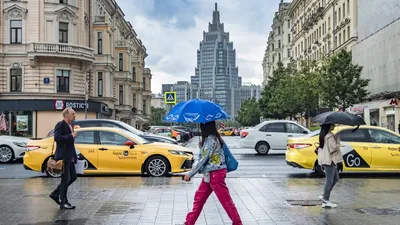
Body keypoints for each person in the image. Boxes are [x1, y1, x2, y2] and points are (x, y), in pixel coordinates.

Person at [183, 121, 242, 225]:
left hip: (215, 174)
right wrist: (202, 147)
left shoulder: (211, 139)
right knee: (199, 198)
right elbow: (208, 156)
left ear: (205, 128)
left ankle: (237, 223)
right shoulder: (211, 139)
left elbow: (203, 159)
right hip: (210, 174)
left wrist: (190, 174)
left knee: (225, 201)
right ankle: (189, 223)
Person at [49, 107, 78, 210]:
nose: (75, 115)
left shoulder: (70, 125)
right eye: (73, 114)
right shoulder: (60, 124)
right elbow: (57, 138)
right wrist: (71, 136)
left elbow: (69, 141)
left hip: (70, 156)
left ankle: (56, 194)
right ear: (66, 115)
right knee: (66, 179)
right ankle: (63, 202)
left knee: (73, 177)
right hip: (64, 157)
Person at [318, 124, 342, 208]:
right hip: (329, 160)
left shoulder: (324, 135)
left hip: (326, 160)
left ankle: (324, 195)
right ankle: (325, 200)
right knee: (329, 180)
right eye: (332, 124)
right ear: (329, 126)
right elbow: (334, 148)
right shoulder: (330, 137)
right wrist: (338, 139)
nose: (334, 125)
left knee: (336, 178)